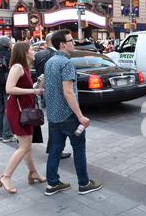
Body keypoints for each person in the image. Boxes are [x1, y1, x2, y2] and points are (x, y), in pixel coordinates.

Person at [43, 29, 102, 196]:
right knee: (79, 149)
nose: (73, 43)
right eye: (70, 40)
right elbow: (68, 92)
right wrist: (80, 116)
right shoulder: (66, 63)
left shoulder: (50, 62)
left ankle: (52, 184)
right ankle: (84, 183)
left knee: (55, 150)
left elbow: (46, 87)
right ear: (62, 45)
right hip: (68, 115)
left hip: (54, 115)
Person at [0, 42, 46, 194]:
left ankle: (33, 173)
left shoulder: (24, 67)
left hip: (24, 110)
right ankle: (6, 176)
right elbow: (9, 88)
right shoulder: (17, 67)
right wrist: (33, 90)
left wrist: (36, 86)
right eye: (31, 49)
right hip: (18, 111)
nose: (34, 51)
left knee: (27, 146)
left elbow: (24, 87)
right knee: (24, 147)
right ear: (24, 52)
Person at [34, 33, 71, 160]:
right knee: (57, 125)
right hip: (57, 94)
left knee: (52, 121)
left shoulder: (39, 54)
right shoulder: (55, 56)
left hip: (45, 91)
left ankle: (53, 148)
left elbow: (39, 73)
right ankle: (55, 149)